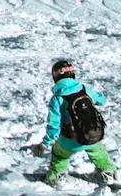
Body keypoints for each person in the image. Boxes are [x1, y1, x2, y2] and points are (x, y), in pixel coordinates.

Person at [39, 58, 117, 186]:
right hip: (93, 135)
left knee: (59, 155)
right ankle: (108, 172)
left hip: (69, 140)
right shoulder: (85, 89)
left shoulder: (57, 98)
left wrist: (45, 143)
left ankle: (57, 177)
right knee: (98, 152)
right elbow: (102, 101)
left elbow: (54, 125)